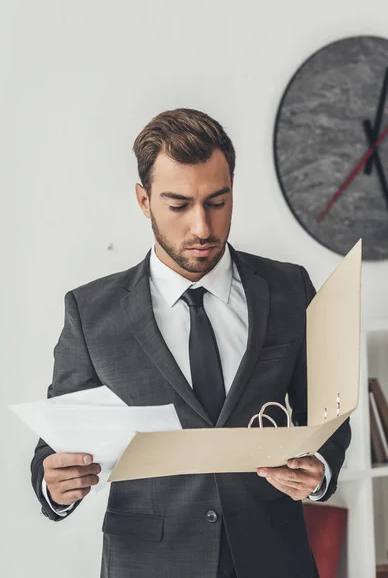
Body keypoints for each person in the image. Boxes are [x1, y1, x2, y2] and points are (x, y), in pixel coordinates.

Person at [30, 108, 351, 578]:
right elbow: (55, 444)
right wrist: (53, 484)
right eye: (178, 205)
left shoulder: (289, 289)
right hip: (149, 562)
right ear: (144, 200)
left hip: (273, 554)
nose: (202, 227)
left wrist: (319, 467)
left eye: (217, 202)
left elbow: (327, 415)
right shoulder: (91, 312)